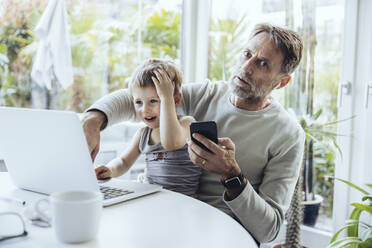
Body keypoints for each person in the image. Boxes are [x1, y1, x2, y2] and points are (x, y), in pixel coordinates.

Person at [81, 23, 305, 244]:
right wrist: (94, 118)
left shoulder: (288, 134)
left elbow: (269, 230)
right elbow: (140, 99)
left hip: (220, 232)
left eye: (263, 64)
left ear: (282, 82)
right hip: (163, 213)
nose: (246, 67)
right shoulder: (206, 94)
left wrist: (232, 175)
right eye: (246, 54)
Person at [94, 59, 202, 196]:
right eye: (138, 102)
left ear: (175, 100)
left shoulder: (187, 124)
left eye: (153, 101)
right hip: (152, 196)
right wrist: (110, 169)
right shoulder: (143, 134)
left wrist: (166, 97)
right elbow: (124, 161)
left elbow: (171, 142)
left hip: (183, 200)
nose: (145, 110)